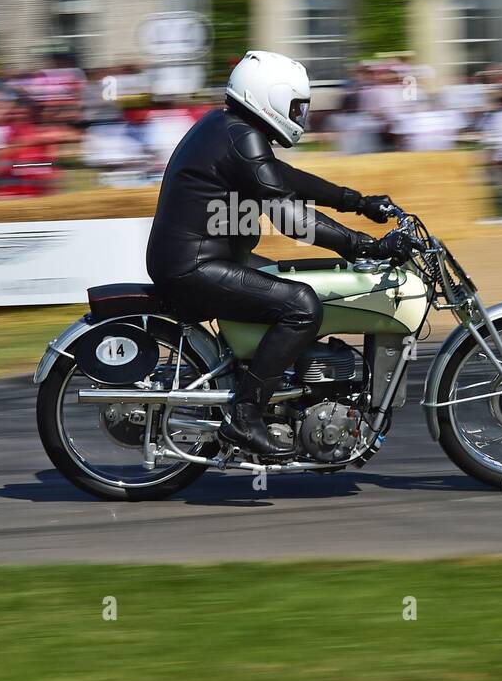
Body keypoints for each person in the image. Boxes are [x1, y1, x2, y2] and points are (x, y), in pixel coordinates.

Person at [145, 50, 409, 457]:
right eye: (296, 105)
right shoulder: (240, 137)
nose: (300, 114)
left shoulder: (229, 128)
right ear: (269, 96)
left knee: (295, 277)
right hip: (195, 267)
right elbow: (289, 215)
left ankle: (272, 390)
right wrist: (365, 245)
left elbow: (285, 179)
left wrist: (357, 202)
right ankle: (245, 415)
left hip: (200, 259)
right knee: (302, 305)